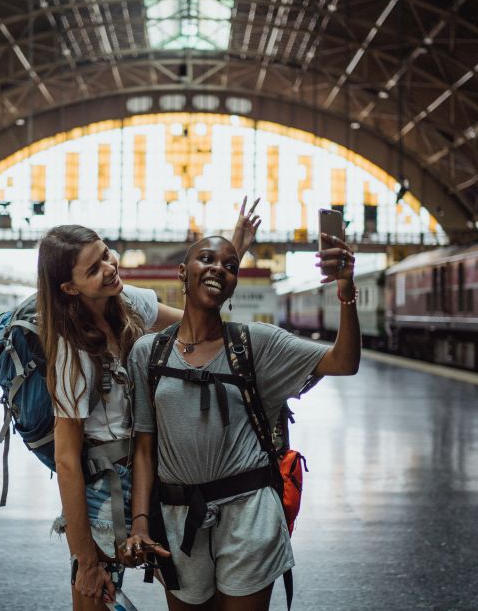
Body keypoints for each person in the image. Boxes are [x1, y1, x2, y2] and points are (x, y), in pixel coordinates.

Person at [41, 200, 261, 610]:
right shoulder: (71, 351)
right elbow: (67, 460)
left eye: (106, 254)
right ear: (69, 288)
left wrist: (231, 253)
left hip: (155, 478)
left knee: (192, 595)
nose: (109, 267)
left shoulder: (132, 304)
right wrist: (85, 558)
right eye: (94, 269)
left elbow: (202, 325)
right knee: (96, 596)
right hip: (104, 492)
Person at [123, 233, 360, 611]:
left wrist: (346, 291)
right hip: (178, 516)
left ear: (233, 284)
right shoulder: (148, 354)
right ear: (183, 273)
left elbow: (343, 362)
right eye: (207, 259)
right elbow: (144, 447)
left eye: (230, 266)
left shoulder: (255, 345)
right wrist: (139, 523)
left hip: (250, 514)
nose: (219, 268)